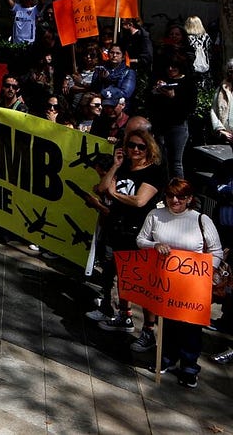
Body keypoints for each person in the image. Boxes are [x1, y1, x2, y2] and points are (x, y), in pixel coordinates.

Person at [135, 178, 223, 387]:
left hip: (192, 285)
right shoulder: (155, 216)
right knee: (167, 324)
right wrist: (155, 245)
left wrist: (206, 270)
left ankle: (189, 368)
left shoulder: (201, 220)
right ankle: (166, 360)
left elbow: (216, 251)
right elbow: (140, 240)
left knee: (190, 328)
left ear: (189, 198)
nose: (175, 200)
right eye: (170, 196)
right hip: (164, 282)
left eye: (181, 196)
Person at [83, 128, 166, 333]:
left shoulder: (154, 171)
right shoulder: (123, 167)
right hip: (117, 228)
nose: (135, 150)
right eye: (131, 145)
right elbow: (102, 189)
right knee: (121, 276)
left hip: (139, 232)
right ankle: (124, 315)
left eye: (141, 146)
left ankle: (148, 329)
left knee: (140, 282)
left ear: (149, 149)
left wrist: (115, 194)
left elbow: (139, 201)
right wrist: (115, 166)